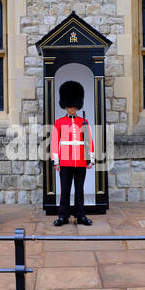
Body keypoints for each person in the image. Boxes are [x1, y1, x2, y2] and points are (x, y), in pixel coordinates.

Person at [51, 80, 95, 226]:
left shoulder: (84, 122)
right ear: (65, 106)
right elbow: (54, 142)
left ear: (77, 106)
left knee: (79, 190)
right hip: (65, 161)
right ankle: (63, 216)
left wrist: (90, 159)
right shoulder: (59, 122)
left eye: (74, 106)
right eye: (69, 106)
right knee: (64, 190)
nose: (71, 109)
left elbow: (88, 141)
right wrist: (55, 161)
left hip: (81, 161)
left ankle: (80, 215)